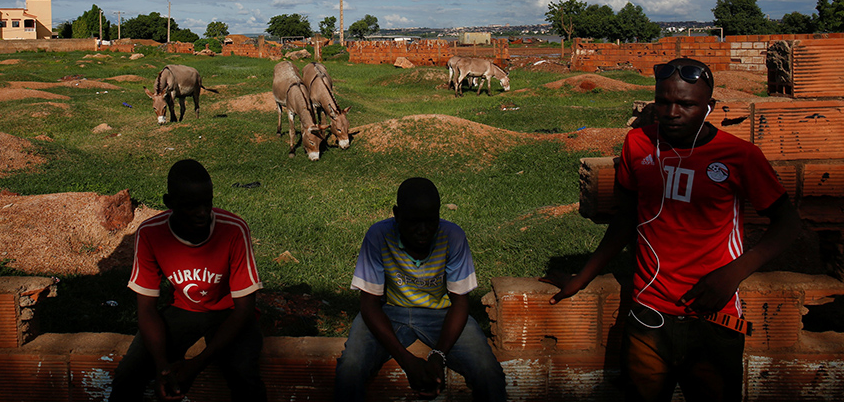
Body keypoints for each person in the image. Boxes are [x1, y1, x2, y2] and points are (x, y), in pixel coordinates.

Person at [541, 58, 800, 402]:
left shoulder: (739, 156)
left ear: (708, 106)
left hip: (714, 317)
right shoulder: (638, 143)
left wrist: (734, 273)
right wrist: (584, 276)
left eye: (686, 104)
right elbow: (626, 217)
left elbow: (787, 224)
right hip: (648, 315)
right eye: (663, 102)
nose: (672, 113)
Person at [334, 177, 506, 401]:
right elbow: (369, 305)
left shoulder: (452, 237)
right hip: (389, 313)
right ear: (397, 215)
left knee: (488, 371)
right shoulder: (379, 236)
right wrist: (407, 361)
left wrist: (438, 356)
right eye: (414, 222)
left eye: (430, 221)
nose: (423, 230)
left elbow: (460, 302)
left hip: (442, 314)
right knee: (350, 368)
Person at [109, 159, 267, 401]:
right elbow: (146, 309)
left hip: (229, 312)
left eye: (207, 203)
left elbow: (244, 309)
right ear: (169, 203)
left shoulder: (233, 230)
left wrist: (196, 365)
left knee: (244, 377)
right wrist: (162, 367)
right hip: (183, 310)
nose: (202, 213)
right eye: (191, 206)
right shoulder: (150, 233)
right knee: (127, 376)